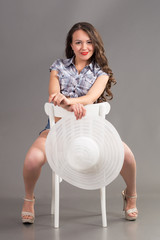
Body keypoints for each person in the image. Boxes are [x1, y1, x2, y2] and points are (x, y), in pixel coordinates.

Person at [21, 22, 138, 224]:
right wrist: (67, 104)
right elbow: (53, 96)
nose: (84, 47)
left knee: (126, 155)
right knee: (32, 159)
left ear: (95, 44)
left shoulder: (101, 73)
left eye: (89, 42)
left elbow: (90, 98)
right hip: (57, 131)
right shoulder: (57, 67)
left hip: (92, 132)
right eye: (78, 42)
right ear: (71, 45)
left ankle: (131, 194)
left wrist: (70, 102)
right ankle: (28, 199)